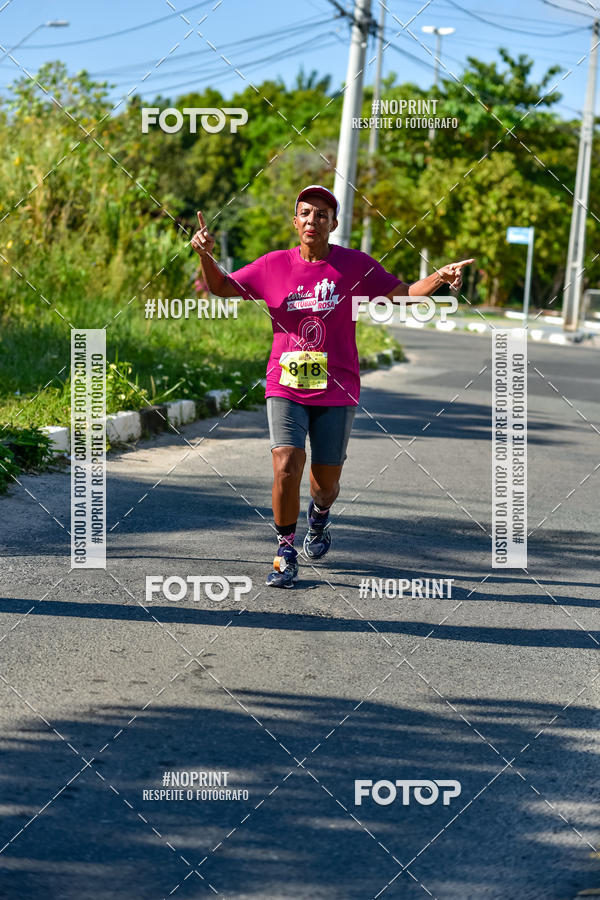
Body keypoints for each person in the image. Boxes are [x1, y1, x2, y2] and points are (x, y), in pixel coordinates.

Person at [191, 185, 473, 588]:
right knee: (286, 462)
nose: (312, 220)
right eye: (305, 213)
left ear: (333, 224)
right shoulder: (273, 265)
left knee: (325, 484)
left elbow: (404, 294)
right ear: (295, 222)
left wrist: (438, 278)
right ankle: (284, 551)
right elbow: (221, 287)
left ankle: (319, 517)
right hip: (286, 381)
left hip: (337, 387)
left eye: (321, 214)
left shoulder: (354, 266)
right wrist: (204, 254)